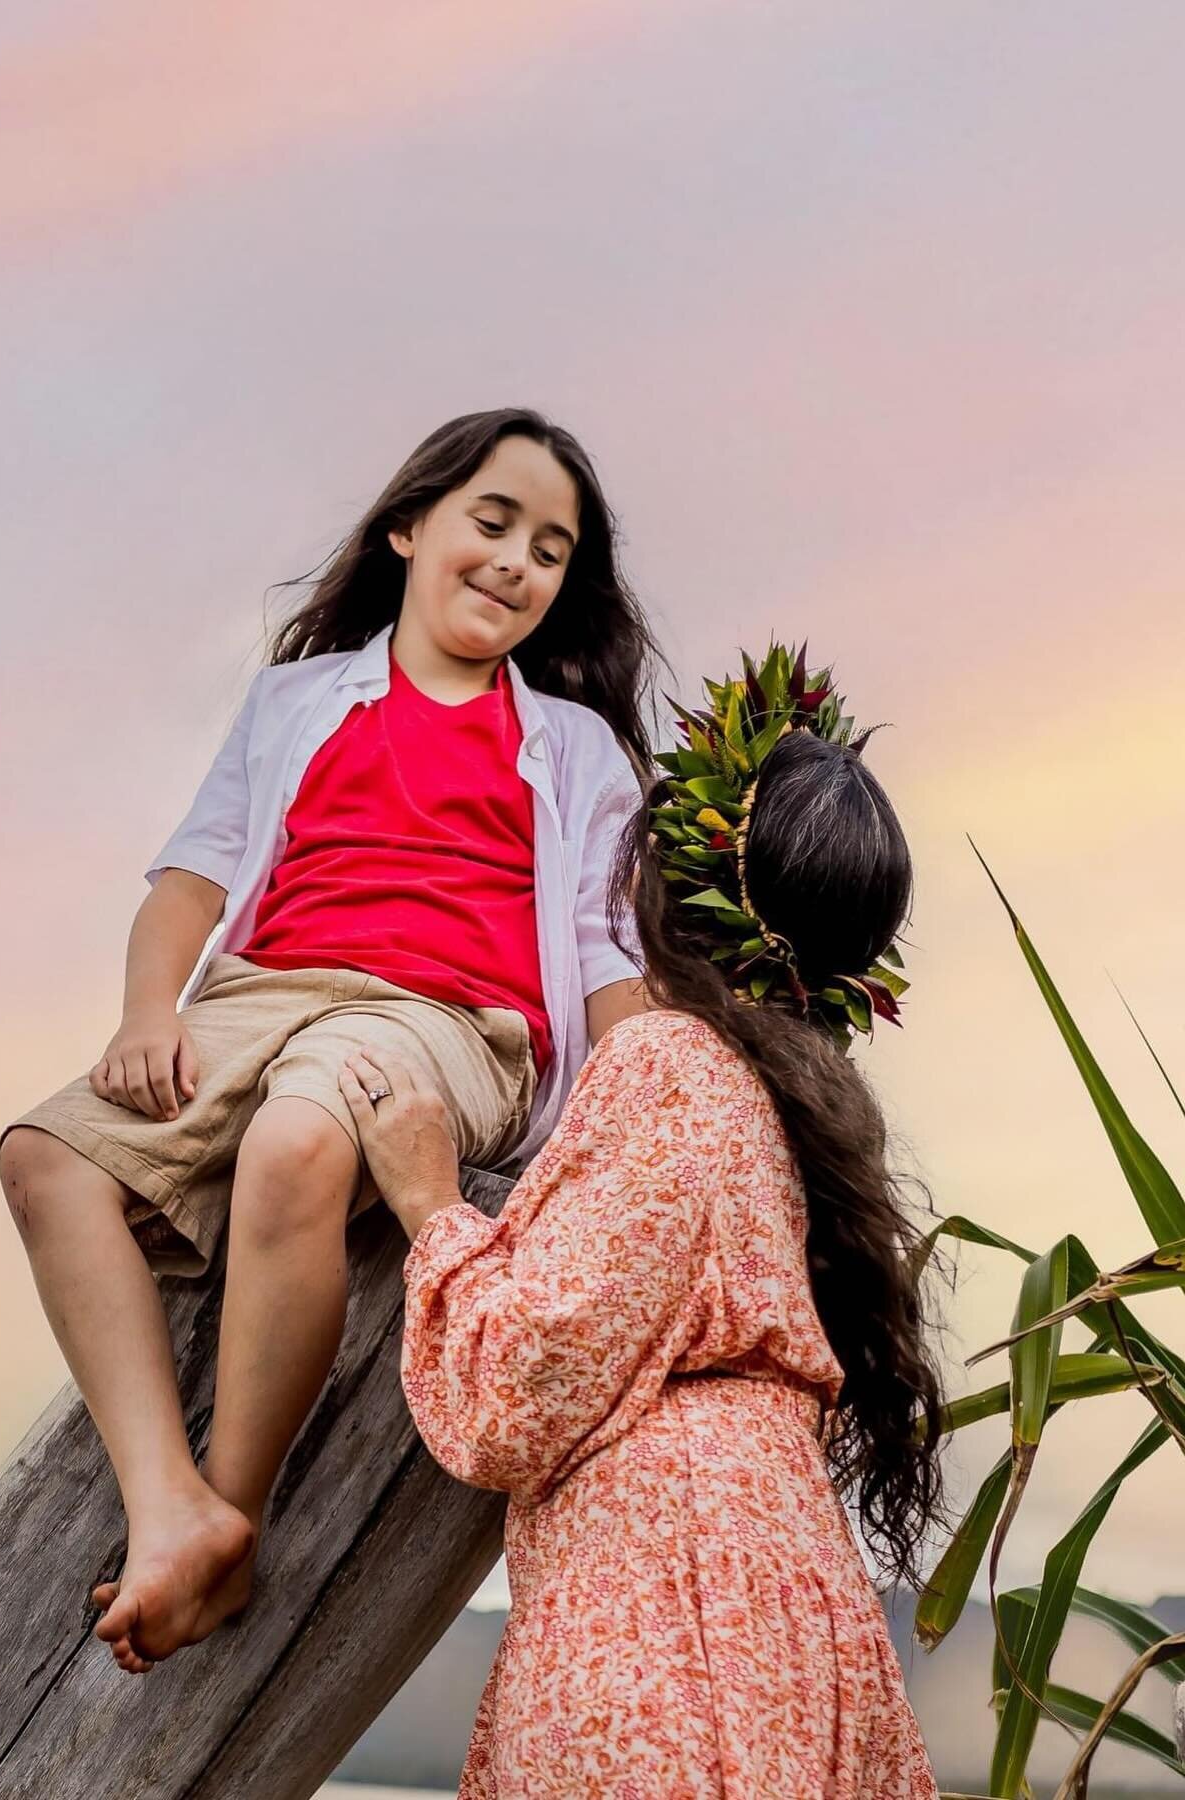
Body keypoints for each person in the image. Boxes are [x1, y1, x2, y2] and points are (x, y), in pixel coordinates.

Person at [0, 408, 660, 1672]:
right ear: (410, 528)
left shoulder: (574, 751)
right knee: (45, 1157)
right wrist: (151, 1012)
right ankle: (169, 1502)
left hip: (445, 1019)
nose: (519, 560)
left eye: (553, 549)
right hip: (258, 992)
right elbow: (191, 880)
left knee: (299, 1141)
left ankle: (229, 1511)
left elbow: (599, 953)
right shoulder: (297, 703)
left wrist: (642, 1119)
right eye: (494, 521)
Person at [340, 647, 942, 1797]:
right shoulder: (805, 1111)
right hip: (793, 1612)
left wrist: (428, 1201)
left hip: (666, 1603)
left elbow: (521, 1390)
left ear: (670, 886)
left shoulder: (671, 1066)